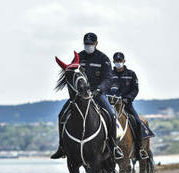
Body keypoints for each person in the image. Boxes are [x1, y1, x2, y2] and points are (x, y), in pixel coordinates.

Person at [51, 32, 124, 160]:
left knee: (112, 114)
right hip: (80, 95)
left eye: (90, 44)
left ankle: (113, 147)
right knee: (61, 114)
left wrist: (98, 89)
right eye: (86, 44)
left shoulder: (104, 58)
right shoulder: (78, 57)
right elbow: (72, 73)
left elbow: (108, 79)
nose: (88, 46)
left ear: (96, 43)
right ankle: (62, 147)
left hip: (97, 94)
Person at [111, 52, 148, 160]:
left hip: (126, 104)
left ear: (124, 61)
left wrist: (128, 98)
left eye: (120, 61)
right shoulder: (109, 74)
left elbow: (135, 89)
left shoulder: (131, 74)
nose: (118, 63)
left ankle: (139, 149)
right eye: (116, 61)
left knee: (137, 122)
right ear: (113, 62)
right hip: (111, 104)